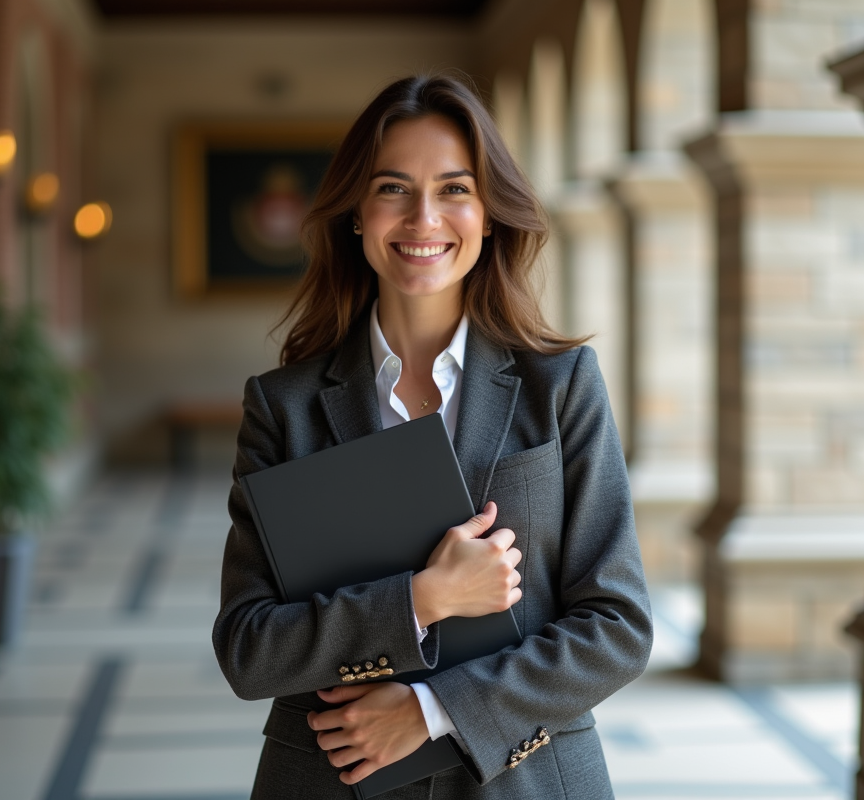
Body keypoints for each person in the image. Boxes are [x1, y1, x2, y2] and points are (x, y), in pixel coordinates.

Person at [212, 72, 652, 799]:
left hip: (529, 779)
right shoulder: (282, 408)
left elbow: (619, 626)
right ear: (356, 211)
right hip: (333, 781)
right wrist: (420, 599)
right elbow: (249, 649)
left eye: (454, 189)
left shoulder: (562, 384)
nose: (423, 218)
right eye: (392, 188)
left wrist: (433, 710)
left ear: (488, 213)